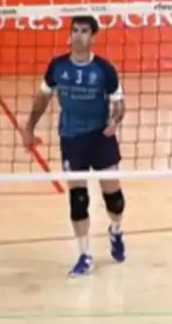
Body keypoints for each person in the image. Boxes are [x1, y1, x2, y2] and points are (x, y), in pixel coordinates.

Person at [24, 16, 127, 276]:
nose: (78, 36)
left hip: (100, 137)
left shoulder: (105, 70)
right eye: (75, 31)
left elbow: (119, 104)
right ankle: (84, 255)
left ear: (93, 37)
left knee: (113, 198)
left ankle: (115, 230)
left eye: (84, 31)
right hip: (71, 139)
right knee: (78, 199)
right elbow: (42, 99)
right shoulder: (57, 67)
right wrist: (29, 129)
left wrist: (115, 121)